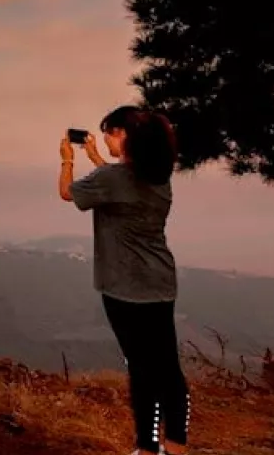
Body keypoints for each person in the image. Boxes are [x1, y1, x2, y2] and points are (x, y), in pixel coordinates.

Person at [58, 106, 190, 455]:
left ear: (124, 135)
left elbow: (68, 193)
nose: (106, 139)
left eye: (110, 133)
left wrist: (67, 159)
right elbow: (121, 184)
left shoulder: (114, 179)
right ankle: (176, 443)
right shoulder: (158, 178)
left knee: (141, 368)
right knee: (167, 368)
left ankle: (147, 447)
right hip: (160, 284)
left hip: (124, 288)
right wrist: (99, 158)